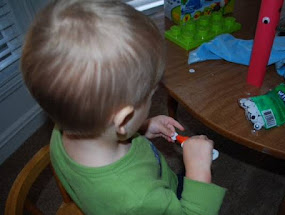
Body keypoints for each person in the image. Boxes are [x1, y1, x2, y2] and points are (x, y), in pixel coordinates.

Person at [21, 0, 226, 214]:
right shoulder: (138, 199)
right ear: (123, 119)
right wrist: (198, 170)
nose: (152, 99)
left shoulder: (64, 129)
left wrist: (142, 127)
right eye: (150, 95)